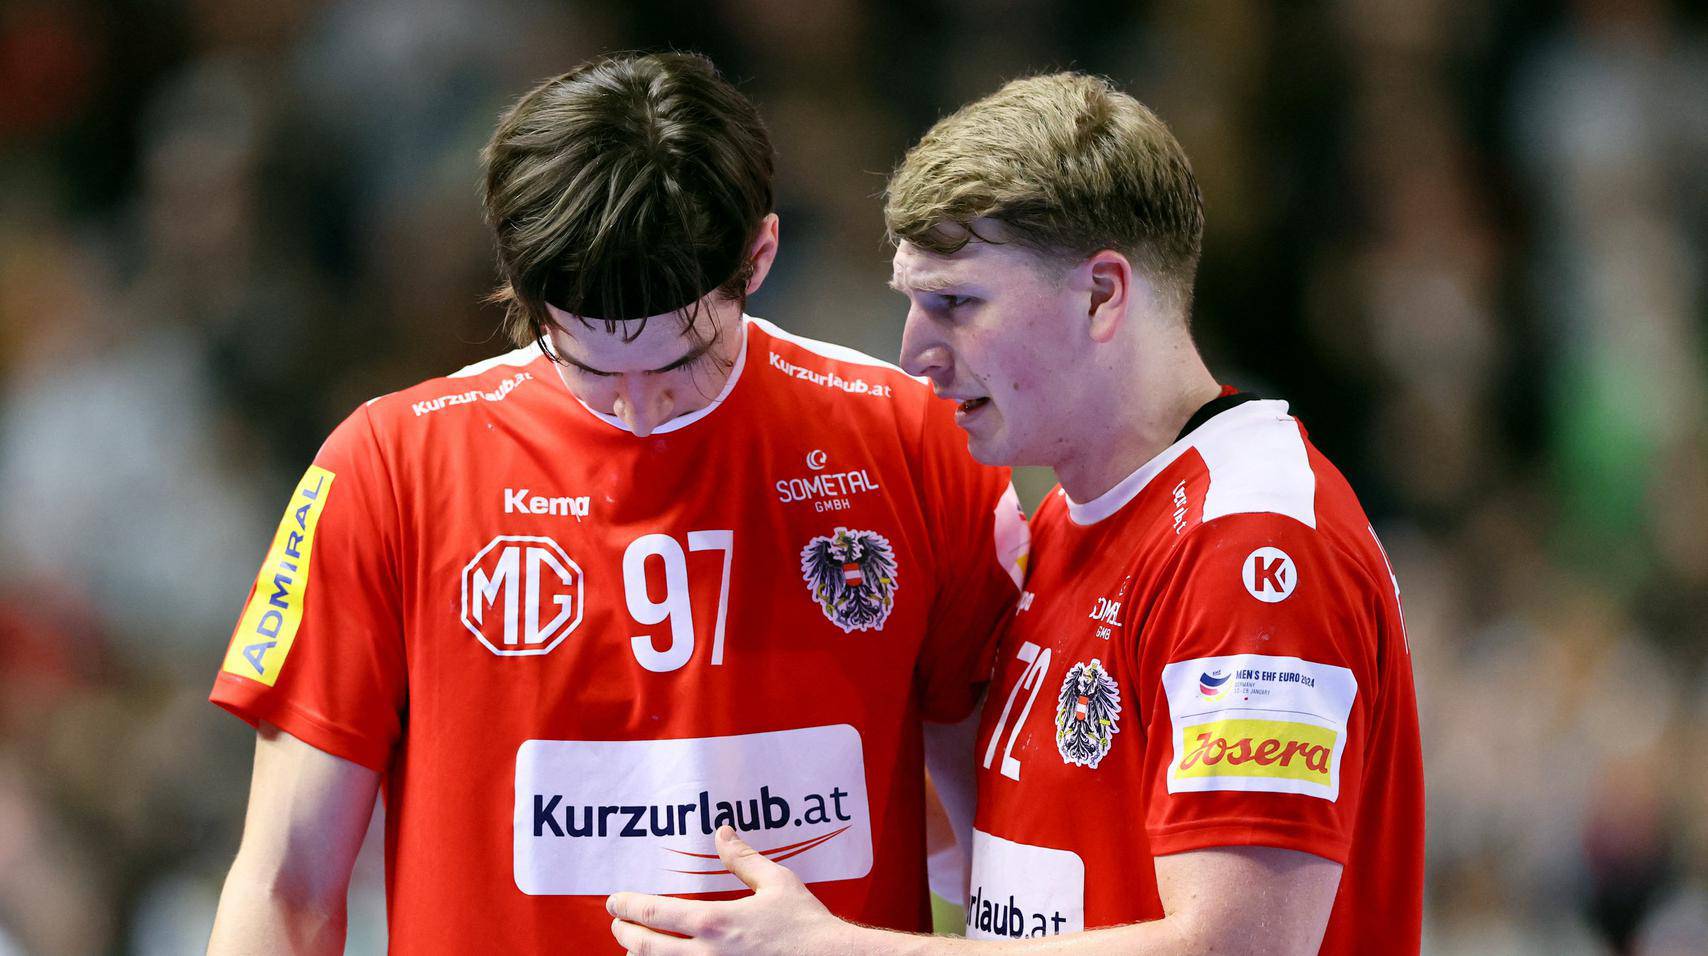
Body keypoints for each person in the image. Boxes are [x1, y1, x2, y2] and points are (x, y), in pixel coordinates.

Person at [205, 52, 1027, 954]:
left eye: (681, 362)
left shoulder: (915, 444)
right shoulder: (388, 466)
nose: (639, 408)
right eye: (590, 365)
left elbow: (1013, 854)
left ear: (759, 255)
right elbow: (285, 884)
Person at [608, 71, 1425, 955]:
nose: (914, 353)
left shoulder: (1253, 545)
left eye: (956, 304)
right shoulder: (1069, 522)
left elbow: (1241, 947)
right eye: (912, 303)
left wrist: (831, 949)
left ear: (1102, 294)